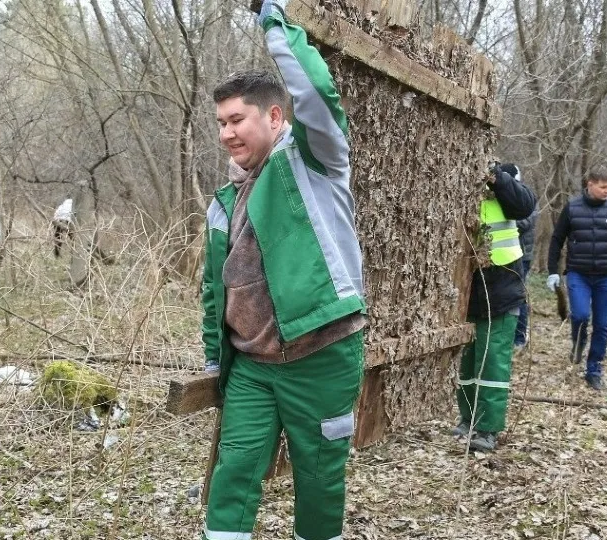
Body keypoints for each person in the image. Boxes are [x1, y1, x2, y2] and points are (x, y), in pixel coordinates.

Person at [199, 3, 366, 539]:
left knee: (318, 481)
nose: (226, 132)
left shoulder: (316, 162)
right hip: (252, 365)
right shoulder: (225, 201)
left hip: (322, 354)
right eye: (220, 123)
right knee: (235, 473)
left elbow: (317, 91)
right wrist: (211, 352)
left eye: (237, 119)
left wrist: (273, 17)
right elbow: (214, 286)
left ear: (274, 117)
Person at [452, 162, 536, 452]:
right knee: (470, 360)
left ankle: (488, 429)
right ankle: (467, 418)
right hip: (469, 289)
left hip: (503, 286)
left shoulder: (504, 186)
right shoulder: (461, 188)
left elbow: (524, 206)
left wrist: (497, 178)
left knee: (493, 363)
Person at [546, 166, 607, 391]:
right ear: (590, 185)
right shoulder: (573, 208)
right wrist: (553, 271)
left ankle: (594, 369)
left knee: (602, 324)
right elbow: (557, 239)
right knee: (580, 315)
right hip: (579, 273)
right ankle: (578, 341)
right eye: (603, 187)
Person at [507, 164, 538, 351]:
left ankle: (519, 337)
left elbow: (527, 223)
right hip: (506, 254)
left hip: (522, 255)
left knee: (520, 297)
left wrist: (507, 221)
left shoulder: (527, 197)